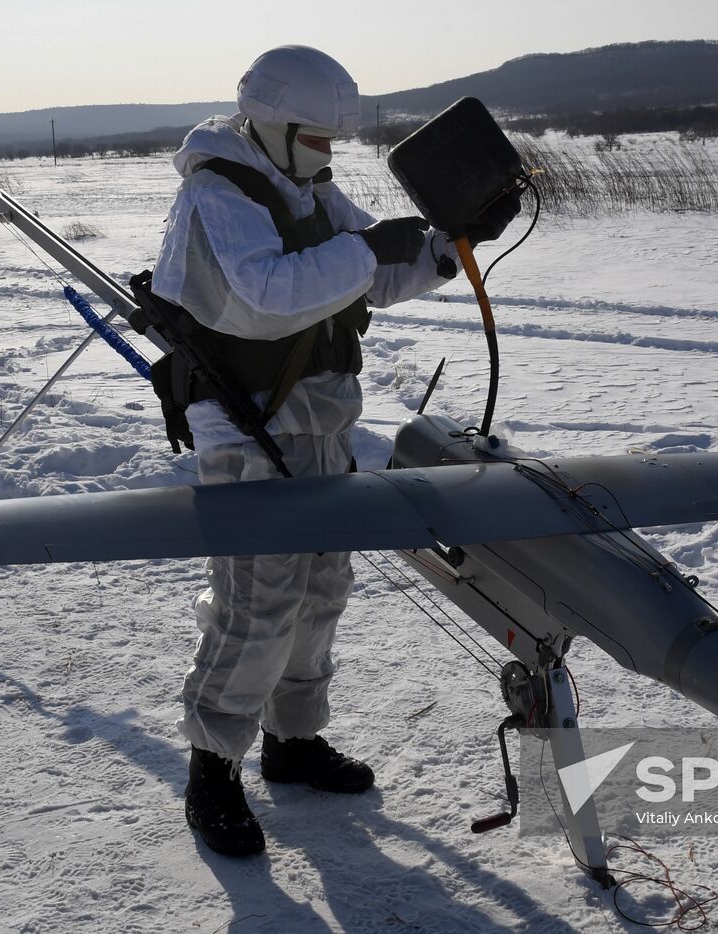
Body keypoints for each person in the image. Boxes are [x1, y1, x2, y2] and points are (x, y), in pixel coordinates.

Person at [148, 45, 520, 857]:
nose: (330, 154)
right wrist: (369, 249)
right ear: (278, 126)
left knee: (321, 590)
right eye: (319, 138)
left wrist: (446, 246)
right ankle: (213, 769)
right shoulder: (220, 190)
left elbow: (374, 276)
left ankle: (293, 741)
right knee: (258, 603)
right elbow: (272, 294)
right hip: (247, 428)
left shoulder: (305, 184)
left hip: (317, 420)